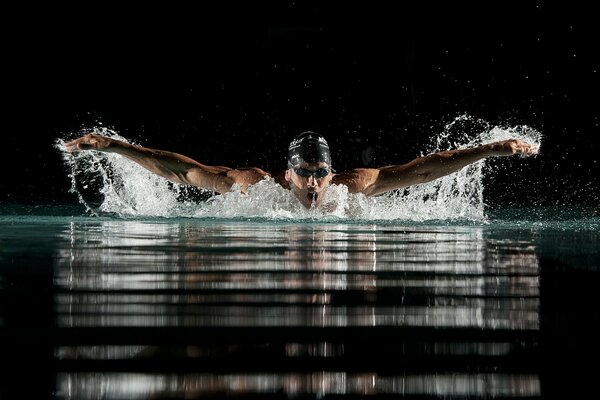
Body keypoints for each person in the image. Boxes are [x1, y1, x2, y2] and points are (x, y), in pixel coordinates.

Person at [65, 131, 537, 209]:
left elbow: (423, 171)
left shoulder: (352, 188)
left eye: (321, 173)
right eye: (304, 173)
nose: (313, 183)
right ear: (286, 174)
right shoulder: (256, 186)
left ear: (332, 173)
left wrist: (491, 150)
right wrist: (115, 147)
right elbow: (182, 172)